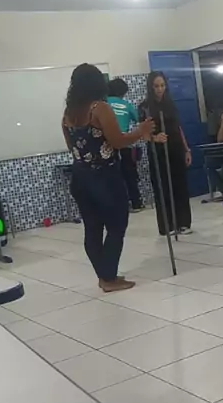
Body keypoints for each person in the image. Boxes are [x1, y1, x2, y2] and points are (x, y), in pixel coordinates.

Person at [62, 64, 154, 291]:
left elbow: (72, 148)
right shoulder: (99, 108)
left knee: (92, 229)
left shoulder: (68, 114)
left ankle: (105, 277)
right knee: (116, 226)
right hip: (105, 177)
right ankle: (108, 278)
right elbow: (118, 142)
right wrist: (140, 131)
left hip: (80, 177)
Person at [139, 71, 192, 235]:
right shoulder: (145, 107)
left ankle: (183, 223)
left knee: (180, 186)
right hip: (158, 152)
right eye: (156, 86)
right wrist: (155, 138)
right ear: (151, 87)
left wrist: (187, 149)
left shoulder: (171, 104)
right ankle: (167, 225)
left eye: (162, 85)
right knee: (162, 187)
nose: (160, 89)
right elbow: (142, 132)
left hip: (175, 148)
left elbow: (178, 128)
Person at [107, 78, 144, 212]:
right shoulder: (127, 105)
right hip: (125, 143)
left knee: (112, 176)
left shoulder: (103, 104)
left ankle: (116, 205)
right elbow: (140, 120)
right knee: (130, 175)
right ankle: (136, 203)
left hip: (108, 145)